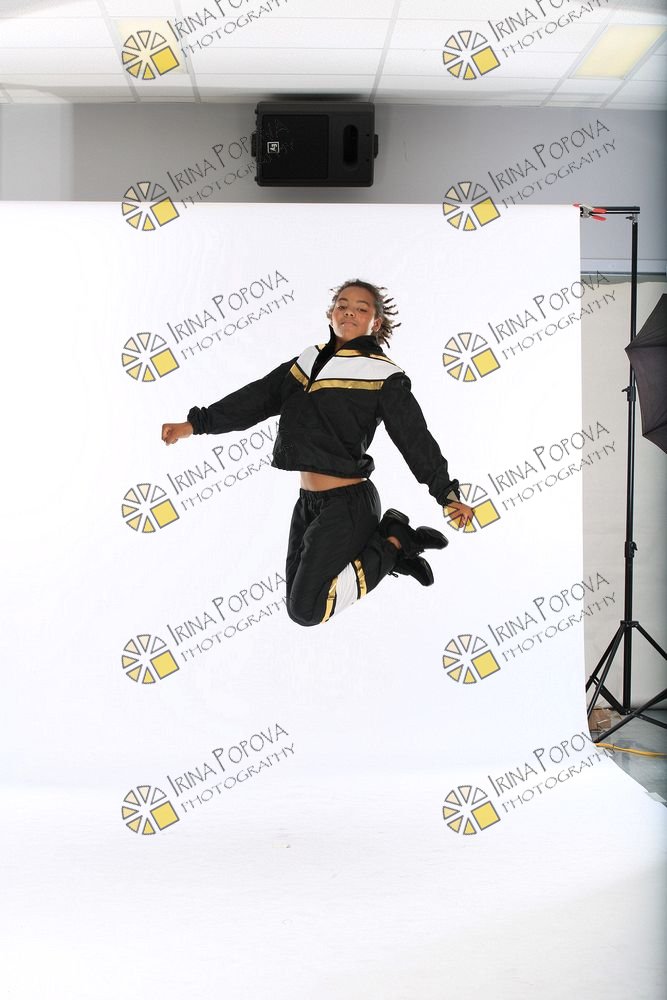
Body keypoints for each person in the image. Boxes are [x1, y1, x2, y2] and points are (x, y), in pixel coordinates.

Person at [162, 280, 474, 627]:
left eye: (361, 308)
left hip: (349, 505)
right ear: (331, 313)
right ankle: (389, 544)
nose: (350, 312)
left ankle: (395, 543)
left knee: (306, 610)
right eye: (342, 305)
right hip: (307, 504)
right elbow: (257, 398)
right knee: (297, 602)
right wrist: (195, 425)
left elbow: (414, 437)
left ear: (376, 322)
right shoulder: (307, 360)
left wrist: (446, 494)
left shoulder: (383, 374)